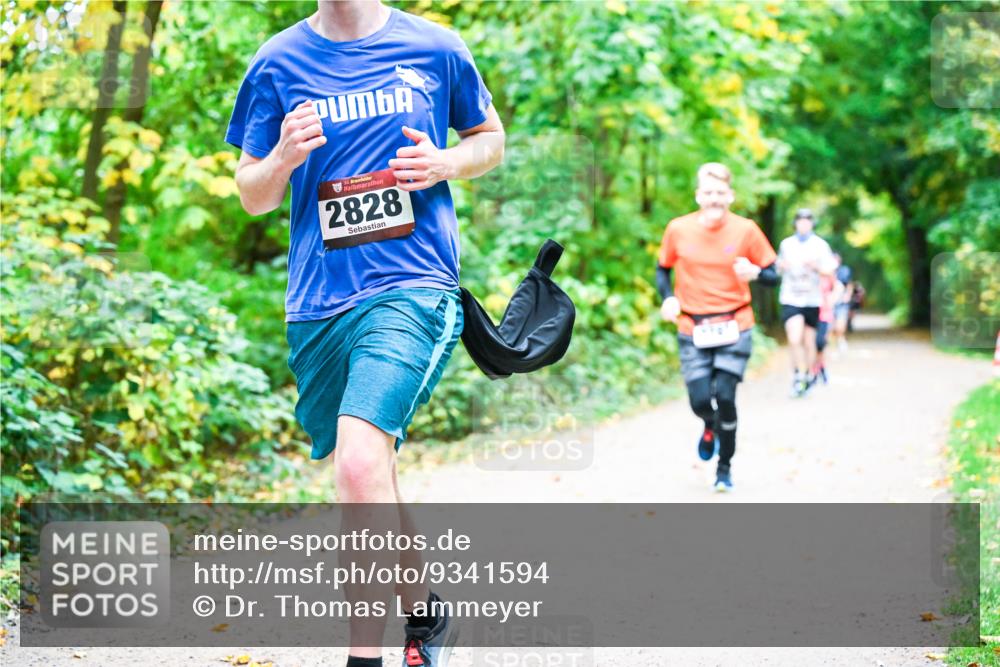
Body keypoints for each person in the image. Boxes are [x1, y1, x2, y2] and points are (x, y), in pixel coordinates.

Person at [225, 2, 504, 666]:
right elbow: (251, 193)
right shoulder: (277, 61)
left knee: (356, 464)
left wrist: (444, 163)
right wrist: (284, 160)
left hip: (414, 285)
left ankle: (362, 657)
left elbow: (489, 140)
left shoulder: (436, 48)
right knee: (368, 472)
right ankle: (426, 616)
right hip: (317, 304)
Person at [656, 162, 779, 492]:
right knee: (699, 401)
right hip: (691, 325)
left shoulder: (747, 230)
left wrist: (755, 273)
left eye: (720, 193)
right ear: (698, 195)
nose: (714, 198)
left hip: (734, 323)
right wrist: (668, 297)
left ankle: (724, 468)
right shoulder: (678, 229)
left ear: (731, 195)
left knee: (725, 396)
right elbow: (661, 269)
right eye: (708, 192)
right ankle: (709, 425)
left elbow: (773, 274)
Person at [776, 209, 836, 397]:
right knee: (794, 338)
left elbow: (830, 271)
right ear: (795, 223)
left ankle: (810, 374)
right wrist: (782, 266)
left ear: (812, 224)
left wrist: (816, 266)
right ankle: (797, 375)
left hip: (812, 299)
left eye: (807, 221)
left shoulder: (820, 245)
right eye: (800, 221)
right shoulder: (786, 244)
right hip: (791, 297)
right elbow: (777, 268)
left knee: (810, 342)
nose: (804, 224)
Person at [830, 253, 853, 353]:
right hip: (829, 303)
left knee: (840, 325)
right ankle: (832, 345)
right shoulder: (825, 271)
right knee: (831, 326)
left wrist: (847, 295)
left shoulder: (844, 272)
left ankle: (841, 339)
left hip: (841, 303)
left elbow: (849, 284)